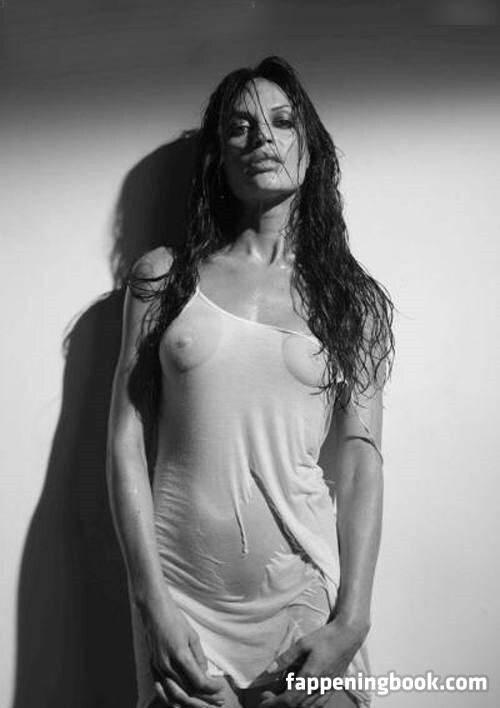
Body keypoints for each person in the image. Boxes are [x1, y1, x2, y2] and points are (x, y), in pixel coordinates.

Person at [106, 56, 395, 708]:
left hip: (305, 602)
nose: (261, 136)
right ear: (219, 157)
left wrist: (352, 620)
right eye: (239, 127)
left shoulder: (350, 300)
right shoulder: (163, 279)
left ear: (309, 150)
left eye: (282, 121)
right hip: (180, 604)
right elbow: (124, 441)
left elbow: (362, 464)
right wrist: (151, 603)